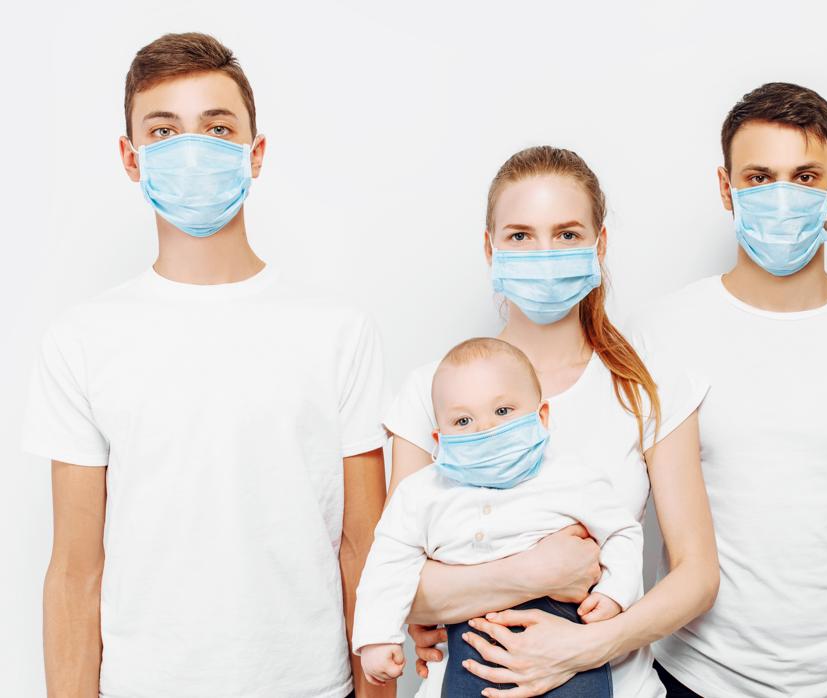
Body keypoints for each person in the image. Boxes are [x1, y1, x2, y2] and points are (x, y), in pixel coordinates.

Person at [24, 33, 390, 698]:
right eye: (164, 131)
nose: (192, 150)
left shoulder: (338, 332)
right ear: (131, 158)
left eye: (217, 129)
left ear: (256, 152)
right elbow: (75, 573)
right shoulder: (82, 339)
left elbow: (363, 550)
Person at [632, 82, 827, 698]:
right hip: (694, 675)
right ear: (725, 187)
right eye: (759, 177)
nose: (782, 197)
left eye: (805, 177)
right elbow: (612, 503)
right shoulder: (659, 333)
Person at [386, 145, 720, 697]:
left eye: (566, 234)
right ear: (490, 247)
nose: (544, 255)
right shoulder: (429, 392)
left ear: (599, 245)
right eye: (521, 235)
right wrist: (540, 571)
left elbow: (697, 576)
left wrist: (583, 647)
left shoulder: (647, 387)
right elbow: (401, 582)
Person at [353, 337, 644, 697]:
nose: (486, 428)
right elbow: (387, 561)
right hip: (469, 646)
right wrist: (377, 636)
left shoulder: (572, 477)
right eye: (463, 420)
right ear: (439, 439)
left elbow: (622, 533)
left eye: (503, 411)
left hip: (568, 644)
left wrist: (616, 593)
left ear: (541, 417)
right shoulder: (421, 494)